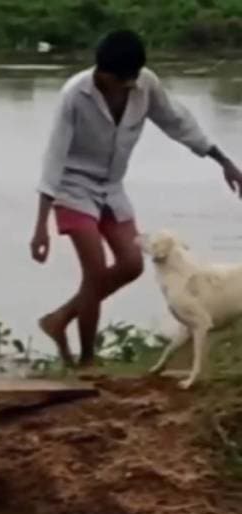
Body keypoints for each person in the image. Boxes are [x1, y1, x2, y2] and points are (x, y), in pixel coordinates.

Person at [30, 29, 242, 368]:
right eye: (123, 82)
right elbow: (53, 159)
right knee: (95, 271)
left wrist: (224, 161)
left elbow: (177, 121)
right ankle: (87, 360)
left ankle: (59, 319)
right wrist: (41, 226)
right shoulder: (75, 95)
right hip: (73, 188)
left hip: (111, 187)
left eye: (134, 80)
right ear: (103, 74)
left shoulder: (145, 83)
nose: (131, 87)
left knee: (132, 263)